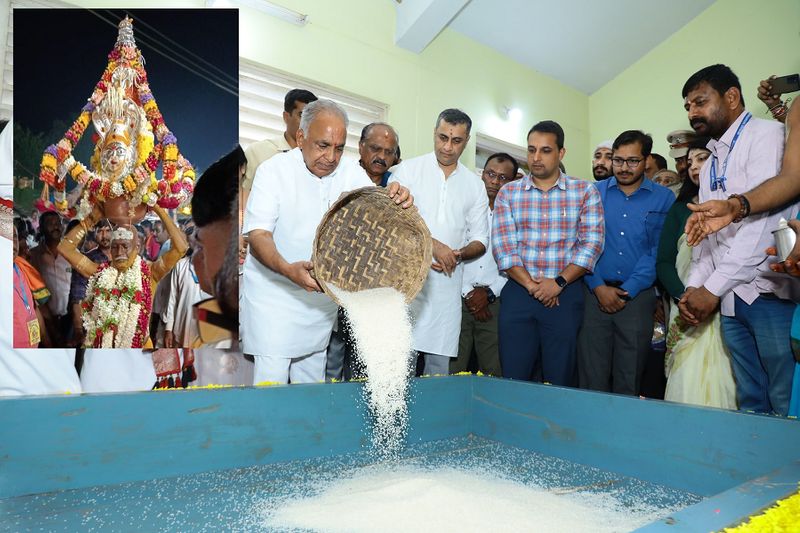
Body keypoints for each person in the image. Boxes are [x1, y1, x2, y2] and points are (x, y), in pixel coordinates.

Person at [243, 99, 412, 384]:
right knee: (271, 388)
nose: (331, 157)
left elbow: (377, 213)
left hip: (319, 301)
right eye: (323, 145)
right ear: (300, 137)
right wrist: (287, 269)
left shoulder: (349, 172)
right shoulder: (273, 171)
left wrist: (397, 196)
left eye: (339, 148)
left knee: (311, 386)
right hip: (274, 301)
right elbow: (258, 234)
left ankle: (306, 430)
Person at [678, 64, 798, 415]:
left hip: (769, 291)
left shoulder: (768, 135)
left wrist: (710, 289)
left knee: (783, 398)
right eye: (688, 107)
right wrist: (694, 287)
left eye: (700, 102)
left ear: (731, 97)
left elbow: (762, 223)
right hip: (730, 297)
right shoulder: (712, 159)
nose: (693, 113)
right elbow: (704, 234)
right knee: (749, 398)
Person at [494, 122, 605, 385]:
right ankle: (517, 426)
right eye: (531, 150)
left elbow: (592, 244)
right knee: (514, 376)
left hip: (565, 295)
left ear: (561, 153)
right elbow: (504, 249)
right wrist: (535, 287)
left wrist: (557, 283)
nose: (536, 157)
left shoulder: (584, 191)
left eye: (545, 150)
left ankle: (554, 428)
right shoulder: (508, 193)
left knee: (560, 377)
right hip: (519, 293)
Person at [389, 108, 488, 376]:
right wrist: (434, 245)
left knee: (438, 371)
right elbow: (394, 221)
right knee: (399, 370)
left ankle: (433, 420)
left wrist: (458, 254)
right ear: (434, 133)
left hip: (446, 286)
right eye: (442, 137)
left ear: (466, 142)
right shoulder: (407, 170)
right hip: (406, 284)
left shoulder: (474, 184)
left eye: (456, 141)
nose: (447, 146)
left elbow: (481, 239)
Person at [577, 130, 674, 395]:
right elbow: (582, 241)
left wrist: (629, 289)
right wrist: (597, 286)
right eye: (617, 160)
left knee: (629, 375)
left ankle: (621, 432)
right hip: (593, 293)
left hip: (637, 297)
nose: (623, 167)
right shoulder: (593, 192)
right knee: (591, 373)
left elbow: (658, 250)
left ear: (646, 160)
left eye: (632, 161)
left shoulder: (664, 198)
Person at [656, 139, 736, 408]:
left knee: (725, 368)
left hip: (728, 300)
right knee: (687, 370)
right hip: (687, 303)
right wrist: (686, 297)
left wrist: (712, 293)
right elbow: (665, 261)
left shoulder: (735, 205)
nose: (694, 167)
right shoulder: (680, 209)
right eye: (689, 162)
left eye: (702, 158)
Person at [58, 203, 187, 348]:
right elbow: (65, 248)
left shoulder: (150, 273)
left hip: (139, 351)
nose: (119, 252)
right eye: (115, 247)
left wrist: (158, 209)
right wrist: (91, 219)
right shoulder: (99, 272)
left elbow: (181, 248)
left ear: (137, 247)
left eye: (125, 246)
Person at [451, 152, 520, 377]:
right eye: (490, 174)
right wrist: (469, 293)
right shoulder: (463, 207)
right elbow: (453, 252)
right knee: (454, 367)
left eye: (503, 178)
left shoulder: (516, 216)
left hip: (495, 302)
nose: (494, 181)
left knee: (494, 370)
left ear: (513, 181)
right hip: (458, 298)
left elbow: (515, 260)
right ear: (482, 174)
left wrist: (489, 294)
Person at [242, 88, 318, 207]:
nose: (308, 123)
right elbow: (242, 200)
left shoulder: (320, 161)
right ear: (286, 117)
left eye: (312, 118)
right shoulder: (258, 152)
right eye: (302, 115)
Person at [29, 210, 72, 342]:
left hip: (70, 317)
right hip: (46, 318)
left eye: (57, 222)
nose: (55, 226)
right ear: (41, 228)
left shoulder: (72, 253)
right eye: (50, 223)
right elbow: (34, 290)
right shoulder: (34, 255)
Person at [68, 218, 112, 347]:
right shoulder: (87, 259)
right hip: (94, 323)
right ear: (94, 234)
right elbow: (77, 296)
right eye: (100, 231)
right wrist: (78, 329)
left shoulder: (123, 257)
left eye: (108, 231)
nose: (104, 236)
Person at [358, 122, 400, 187]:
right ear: (361, 147)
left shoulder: (396, 184)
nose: (382, 157)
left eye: (389, 152)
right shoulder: (345, 175)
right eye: (375, 148)